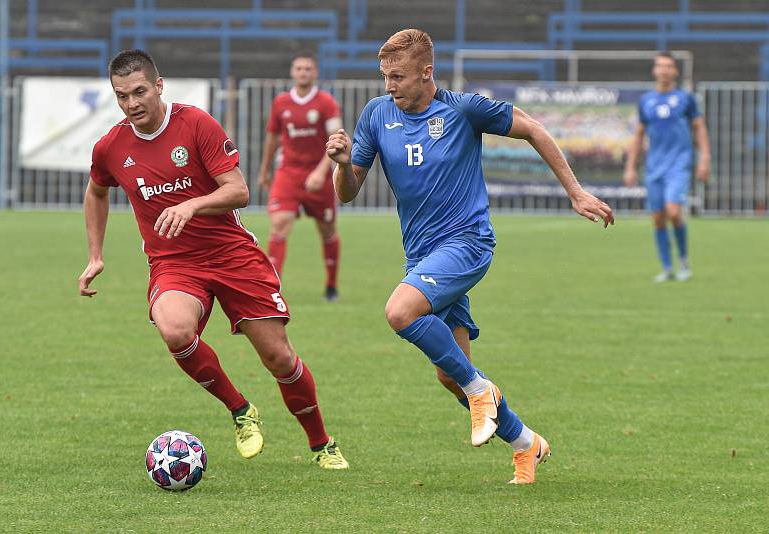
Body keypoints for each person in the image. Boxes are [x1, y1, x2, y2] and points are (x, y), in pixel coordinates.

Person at [327, 29, 614, 484]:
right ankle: (527, 445)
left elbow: (534, 129)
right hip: (422, 257)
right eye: (384, 76)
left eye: (397, 76)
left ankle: (482, 391)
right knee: (449, 374)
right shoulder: (377, 115)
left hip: (467, 244)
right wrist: (342, 164)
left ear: (427, 72)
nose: (389, 86)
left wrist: (575, 192)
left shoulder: (463, 109)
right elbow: (347, 193)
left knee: (399, 312)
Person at [78, 49, 348, 470]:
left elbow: (238, 191)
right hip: (174, 263)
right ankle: (241, 410)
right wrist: (95, 254)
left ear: (159, 85)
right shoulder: (112, 146)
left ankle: (321, 443)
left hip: (232, 254)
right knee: (174, 330)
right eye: (121, 96)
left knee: (279, 357)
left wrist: (191, 206)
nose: (132, 104)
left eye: (139, 92)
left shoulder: (196, 123)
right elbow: (96, 190)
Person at [258, 53, 343, 301]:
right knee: (279, 225)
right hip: (288, 173)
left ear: (315, 73)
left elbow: (335, 140)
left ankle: (331, 286)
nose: (303, 72)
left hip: (318, 175)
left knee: (327, 230)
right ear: (293, 73)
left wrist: (321, 170)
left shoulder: (326, 103)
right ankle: (272, 288)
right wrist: (264, 170)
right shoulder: (281, 102)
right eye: (299, 68)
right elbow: (272, 138)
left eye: (308, 68)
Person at [624, 51, 710, 282]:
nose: (664, 70)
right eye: (660, 66)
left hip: (679, 164)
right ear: (654, 70)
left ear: (675, 71)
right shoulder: (646, 101)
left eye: (668, 66)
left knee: (673, 211)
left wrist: (705, 158)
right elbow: (639, 135)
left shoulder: (686, 99)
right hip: (654, 167)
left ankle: (683, 261)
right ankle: (667, 267)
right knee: (658, 218)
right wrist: (631, 166)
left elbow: (699, 127)